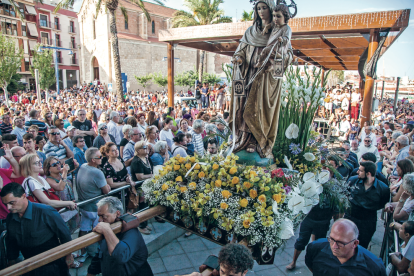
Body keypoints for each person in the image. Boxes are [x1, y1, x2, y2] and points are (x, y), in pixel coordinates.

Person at [0, 183, 76, 274]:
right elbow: (11, 242)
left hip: (53, 265)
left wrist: (68, 255)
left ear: (24, 196)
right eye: (5, 204)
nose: (8, 207)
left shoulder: (45, 212)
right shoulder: (10, 218)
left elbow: (64, 234)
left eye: (11, 203)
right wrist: (12, 261)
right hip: (29, 266)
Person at [87, 197, 154, 276]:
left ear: (117, 214)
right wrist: (91, 272)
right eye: (99, 216)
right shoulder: (109, 229)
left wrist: (106, 230)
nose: (99, 220)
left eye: (103, 216)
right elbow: (101, 254)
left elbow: (121, 256)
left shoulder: (132, 232)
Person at [305, 219, 386, 276]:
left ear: (355, 243)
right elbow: (310, 265)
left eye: (341, 243)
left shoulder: (374, 266)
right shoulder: (315, 248)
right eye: (332, 239)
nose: (334, 246)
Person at [345, 161, 390, 249]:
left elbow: (382, 203)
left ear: (368, 173)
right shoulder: (353, 180)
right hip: (350, 217)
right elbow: (346, 193)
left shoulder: (383, 188)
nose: (357, 172)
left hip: (367, 222)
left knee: (362, 246)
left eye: (360, 171)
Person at [77, 148, 111, 244]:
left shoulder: (83, 166)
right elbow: (106, 191)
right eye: (100, 157)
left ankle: (82, 253)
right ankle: (98, 252)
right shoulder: (97, 172)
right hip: (94, 208)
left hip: (83, 206)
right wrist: (107, 186)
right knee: (98, 230)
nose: (102, 158)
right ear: (93, 160)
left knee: (84, 229)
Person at [130, 141, 153, 235]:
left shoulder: (146, 158)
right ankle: (141, 226)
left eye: (146, 147)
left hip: (147, 186)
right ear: (138, 150)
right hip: (140, 188)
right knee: (141, 206)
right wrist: (151, 175)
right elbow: (140, 176)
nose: (146, 149)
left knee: (146, 206)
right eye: (144, 148)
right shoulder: (136, 161)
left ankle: (145, 223)